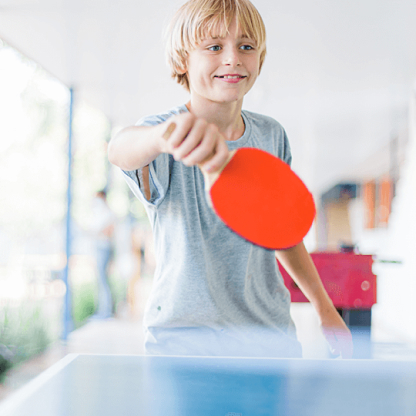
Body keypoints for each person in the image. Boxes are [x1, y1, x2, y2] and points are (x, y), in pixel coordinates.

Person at [108, 0, 353, 358]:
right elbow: (119, 148)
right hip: (182, 341)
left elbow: (282, 233)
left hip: (269, 337)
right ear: (182, 61)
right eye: (214, 47)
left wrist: (324, 308)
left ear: (260, 58)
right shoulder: (164, 134)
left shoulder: (271, 136)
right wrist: (162, 137)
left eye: (246, 46)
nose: (232, 58)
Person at [90, 190, 116, 319]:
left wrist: (98, 232)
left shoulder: (108, 214)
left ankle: (106, 312)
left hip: (104, 248)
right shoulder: (100, 214)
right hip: (101, 247)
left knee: (103, 280)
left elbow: (109, 232)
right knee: (101, 280)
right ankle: (103, 311)